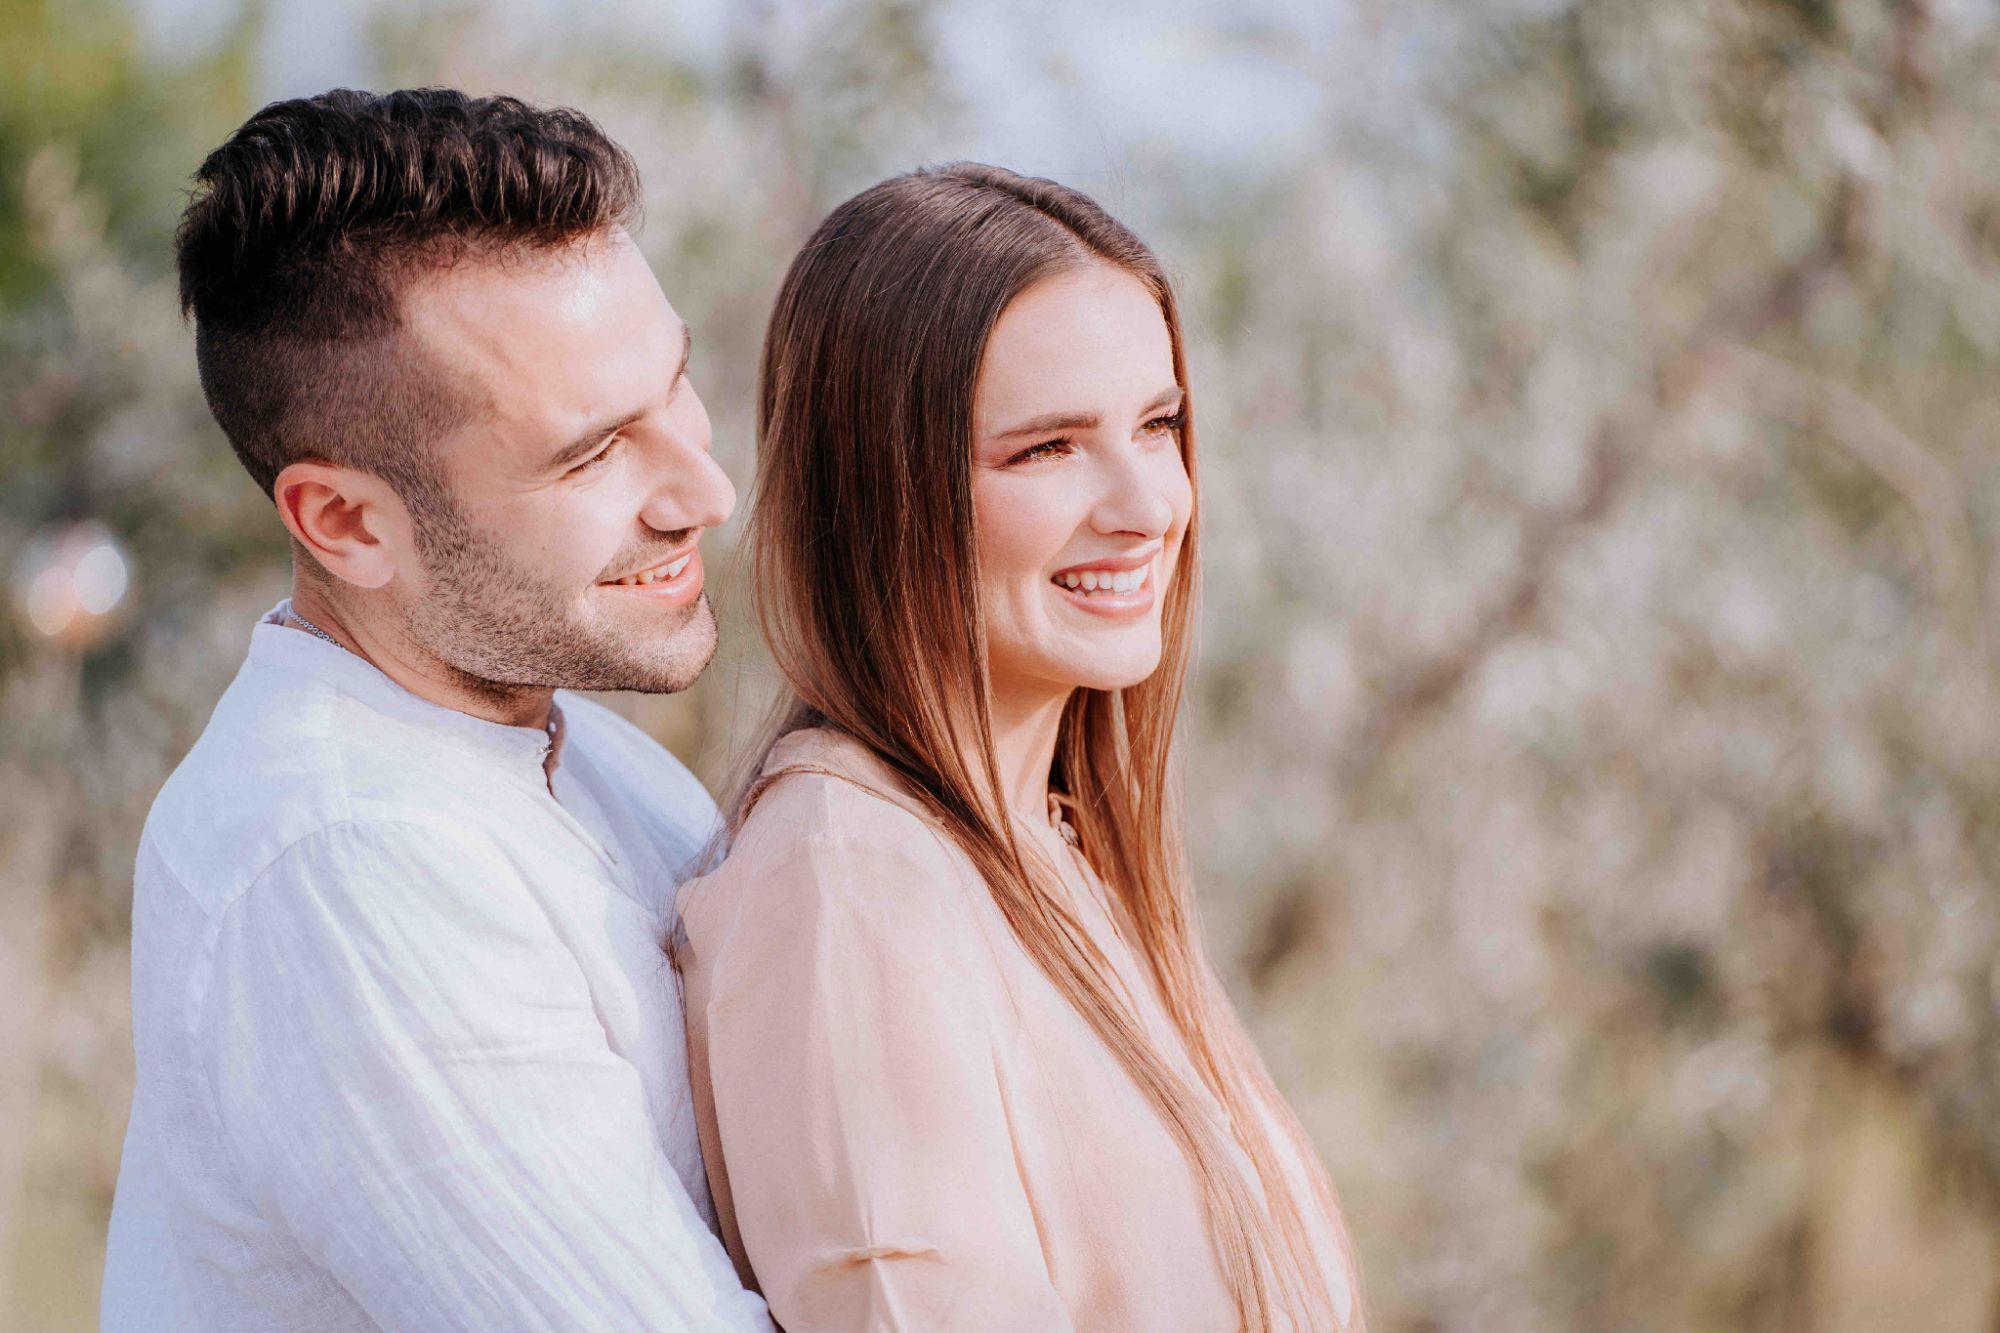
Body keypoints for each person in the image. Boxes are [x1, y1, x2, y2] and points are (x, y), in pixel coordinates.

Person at [101, 89, 772, 1332]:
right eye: (592, 454)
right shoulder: (347, 859)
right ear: (346, 522)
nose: (704, 489)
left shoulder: (569, 743)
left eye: (674, 387)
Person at [675, 163, 1365, 1332]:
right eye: (1047, 448)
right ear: (881, 491)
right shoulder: (848, 877)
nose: (1146, 502)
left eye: (1158, 425)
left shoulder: (1061, 848)